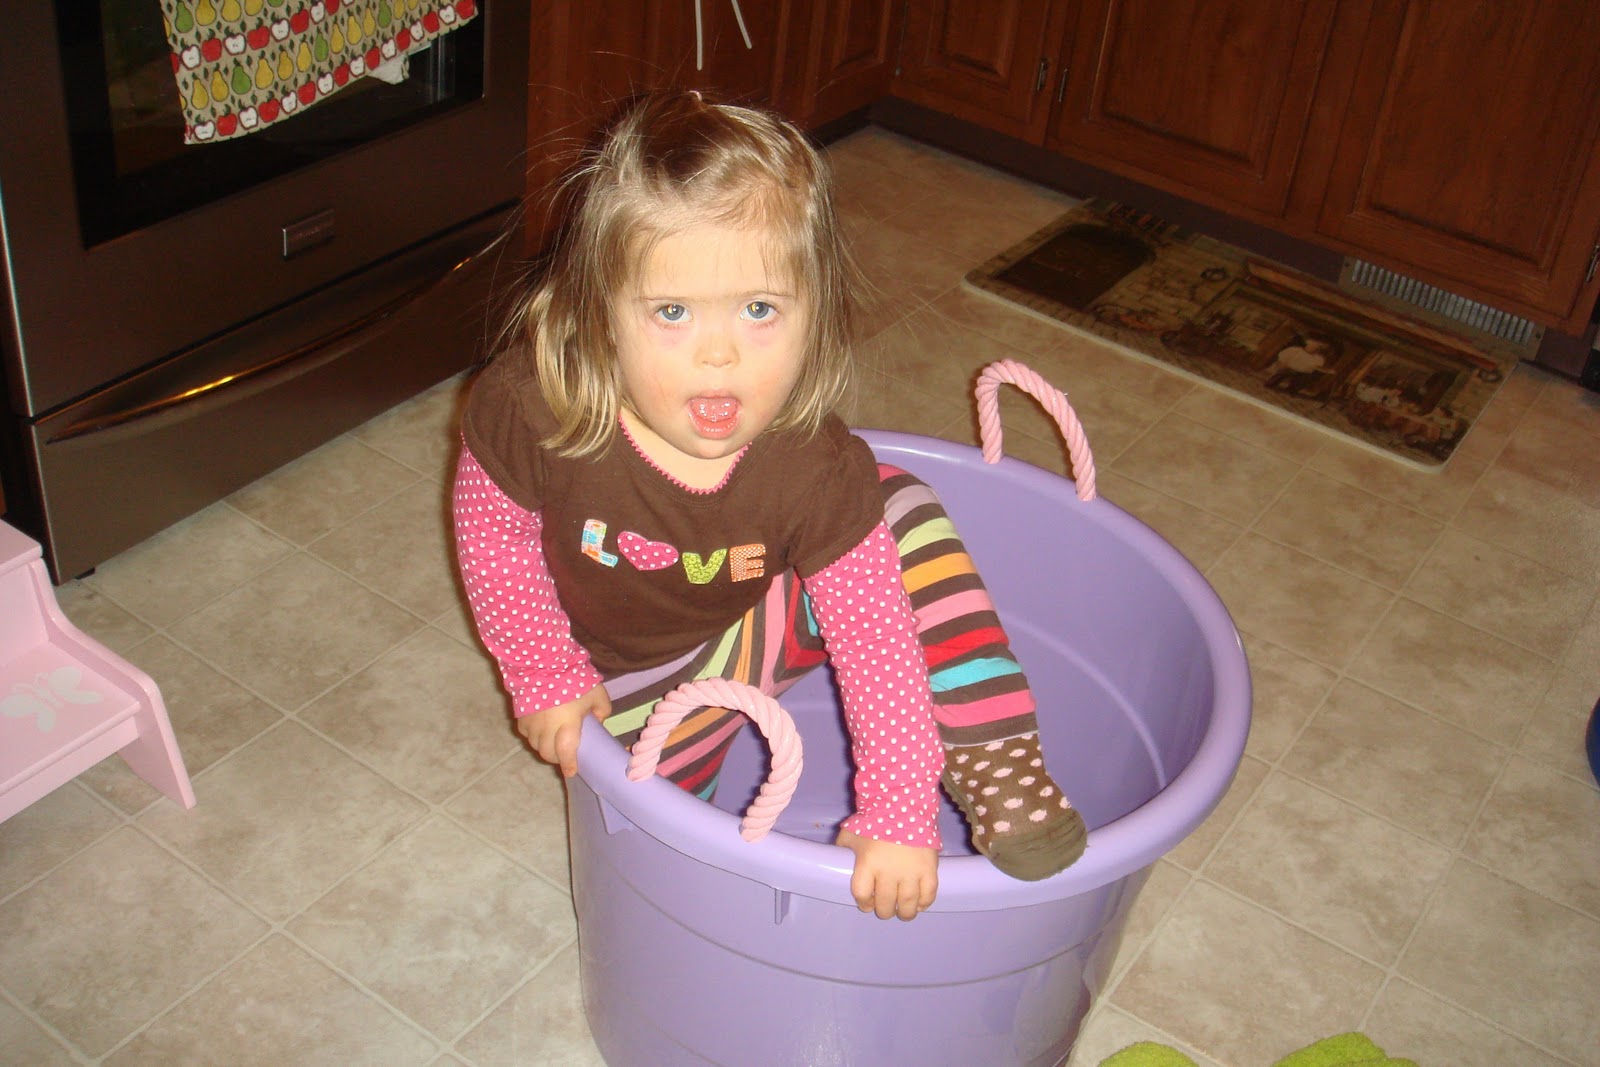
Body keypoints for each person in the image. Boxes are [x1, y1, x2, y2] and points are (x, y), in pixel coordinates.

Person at [452, 91, 1084, 923]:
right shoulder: (537, 406)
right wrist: (543, 672)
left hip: (754, 627)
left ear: (814, 313)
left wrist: (897, 808)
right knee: (679, 867)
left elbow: (873, 634)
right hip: (620, 692)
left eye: (760, 310)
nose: (720, 355)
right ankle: (689, 815)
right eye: (671, 313)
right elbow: (493, 533)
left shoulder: (813, 468)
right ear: (598, 316)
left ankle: (995, 755)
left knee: (894, 502)